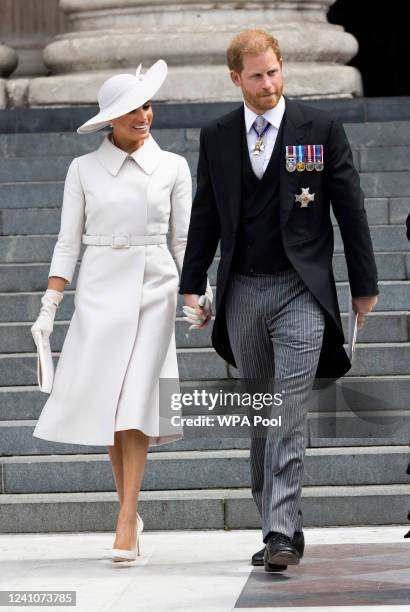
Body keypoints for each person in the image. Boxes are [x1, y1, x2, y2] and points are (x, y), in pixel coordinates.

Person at [180, 30, 379, 572]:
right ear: (235, 79)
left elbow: (351, 208)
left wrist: (364, 284)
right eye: (256, 76)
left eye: (274, 72)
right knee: (260, 413)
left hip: (301, 290)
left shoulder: (320, 127)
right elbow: (206, 215)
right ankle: (275, 520)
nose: (268, 84)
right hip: (244, 286)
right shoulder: (218, 136)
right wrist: (191, 283)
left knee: (288, 410)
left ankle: (279, 532)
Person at [31, 60, 212, 563]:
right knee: (113, 408)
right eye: (132, 109)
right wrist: (50, 307)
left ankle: (125, 520)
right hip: (99, 291)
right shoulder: (82, 169)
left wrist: (199, 293)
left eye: (147, 105)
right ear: (111, 117)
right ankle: (129, 513)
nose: (143, 116)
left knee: (136, 403)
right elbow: (68, 242)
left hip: (156, 287)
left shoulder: (173, 166)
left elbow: (183, 239)